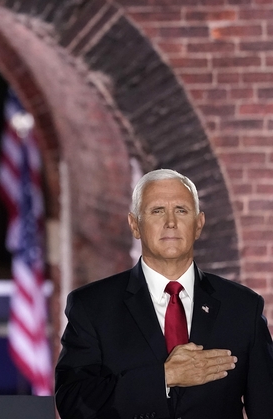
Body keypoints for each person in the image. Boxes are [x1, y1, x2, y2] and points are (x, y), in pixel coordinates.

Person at [55, 169, 273, 419]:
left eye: (181, 210)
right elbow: (72, 401)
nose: (171, 222)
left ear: (199, 224)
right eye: (157, 211)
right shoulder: (92, 306)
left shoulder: (243, 307)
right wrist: (165, 377)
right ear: (135, 225)